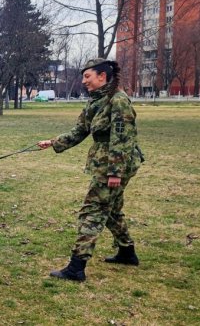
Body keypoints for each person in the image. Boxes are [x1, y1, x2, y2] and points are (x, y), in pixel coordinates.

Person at [37, 58, 144, 282]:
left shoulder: (118, 101)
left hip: (115, 166)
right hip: (103, 164)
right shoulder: (96, 101)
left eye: (88, 76)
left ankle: (76, 267)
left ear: (102, 76)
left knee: (92, 211)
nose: (84, 81)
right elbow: (80, 130)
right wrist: (54, 142)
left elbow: (122, 138)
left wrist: (115, 172)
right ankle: (127, 252)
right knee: (111, 210)